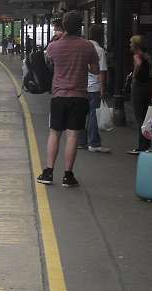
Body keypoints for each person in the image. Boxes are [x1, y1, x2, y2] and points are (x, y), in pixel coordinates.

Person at [36, 11, 99, 188]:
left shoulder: (53, 46)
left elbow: (49, 64)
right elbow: (95, 70)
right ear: (80, 26)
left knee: (54, 133)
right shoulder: (87, 46)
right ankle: (68, 175)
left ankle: (48, 172)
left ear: (64, 26)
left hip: (58, 96)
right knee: (73, 136)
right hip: (79, 97)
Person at [79, 24, 110, 154]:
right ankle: (94, 143)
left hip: (81, 86)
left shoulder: (82, 47)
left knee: (82, 115)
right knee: (93, 115)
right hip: (94, 87)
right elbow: (101, 71)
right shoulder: (99, 50)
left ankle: (82, 141)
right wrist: (103, 89)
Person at [127, 35, 152, 154]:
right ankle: (146, 144)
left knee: (139, 117)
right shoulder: (147, 56)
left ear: (136, 45)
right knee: (145, 117)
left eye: (131, 43)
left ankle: (142, 147)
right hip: (147, 87)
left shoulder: (138, 56)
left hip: (139, 88)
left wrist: (132, 74)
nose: (130, 45)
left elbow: (137, 73)